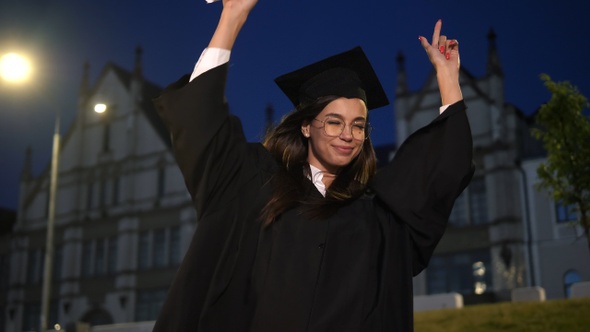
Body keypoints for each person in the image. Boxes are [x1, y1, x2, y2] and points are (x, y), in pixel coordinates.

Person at [152, 0, 473, 331]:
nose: (347, 135)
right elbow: (201, 122)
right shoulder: (254, 182)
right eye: (334, 122)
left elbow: (440, 172)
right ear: (306, 126)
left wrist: (447, 79)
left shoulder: (376, 215)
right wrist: (232, 17)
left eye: (358, 125)